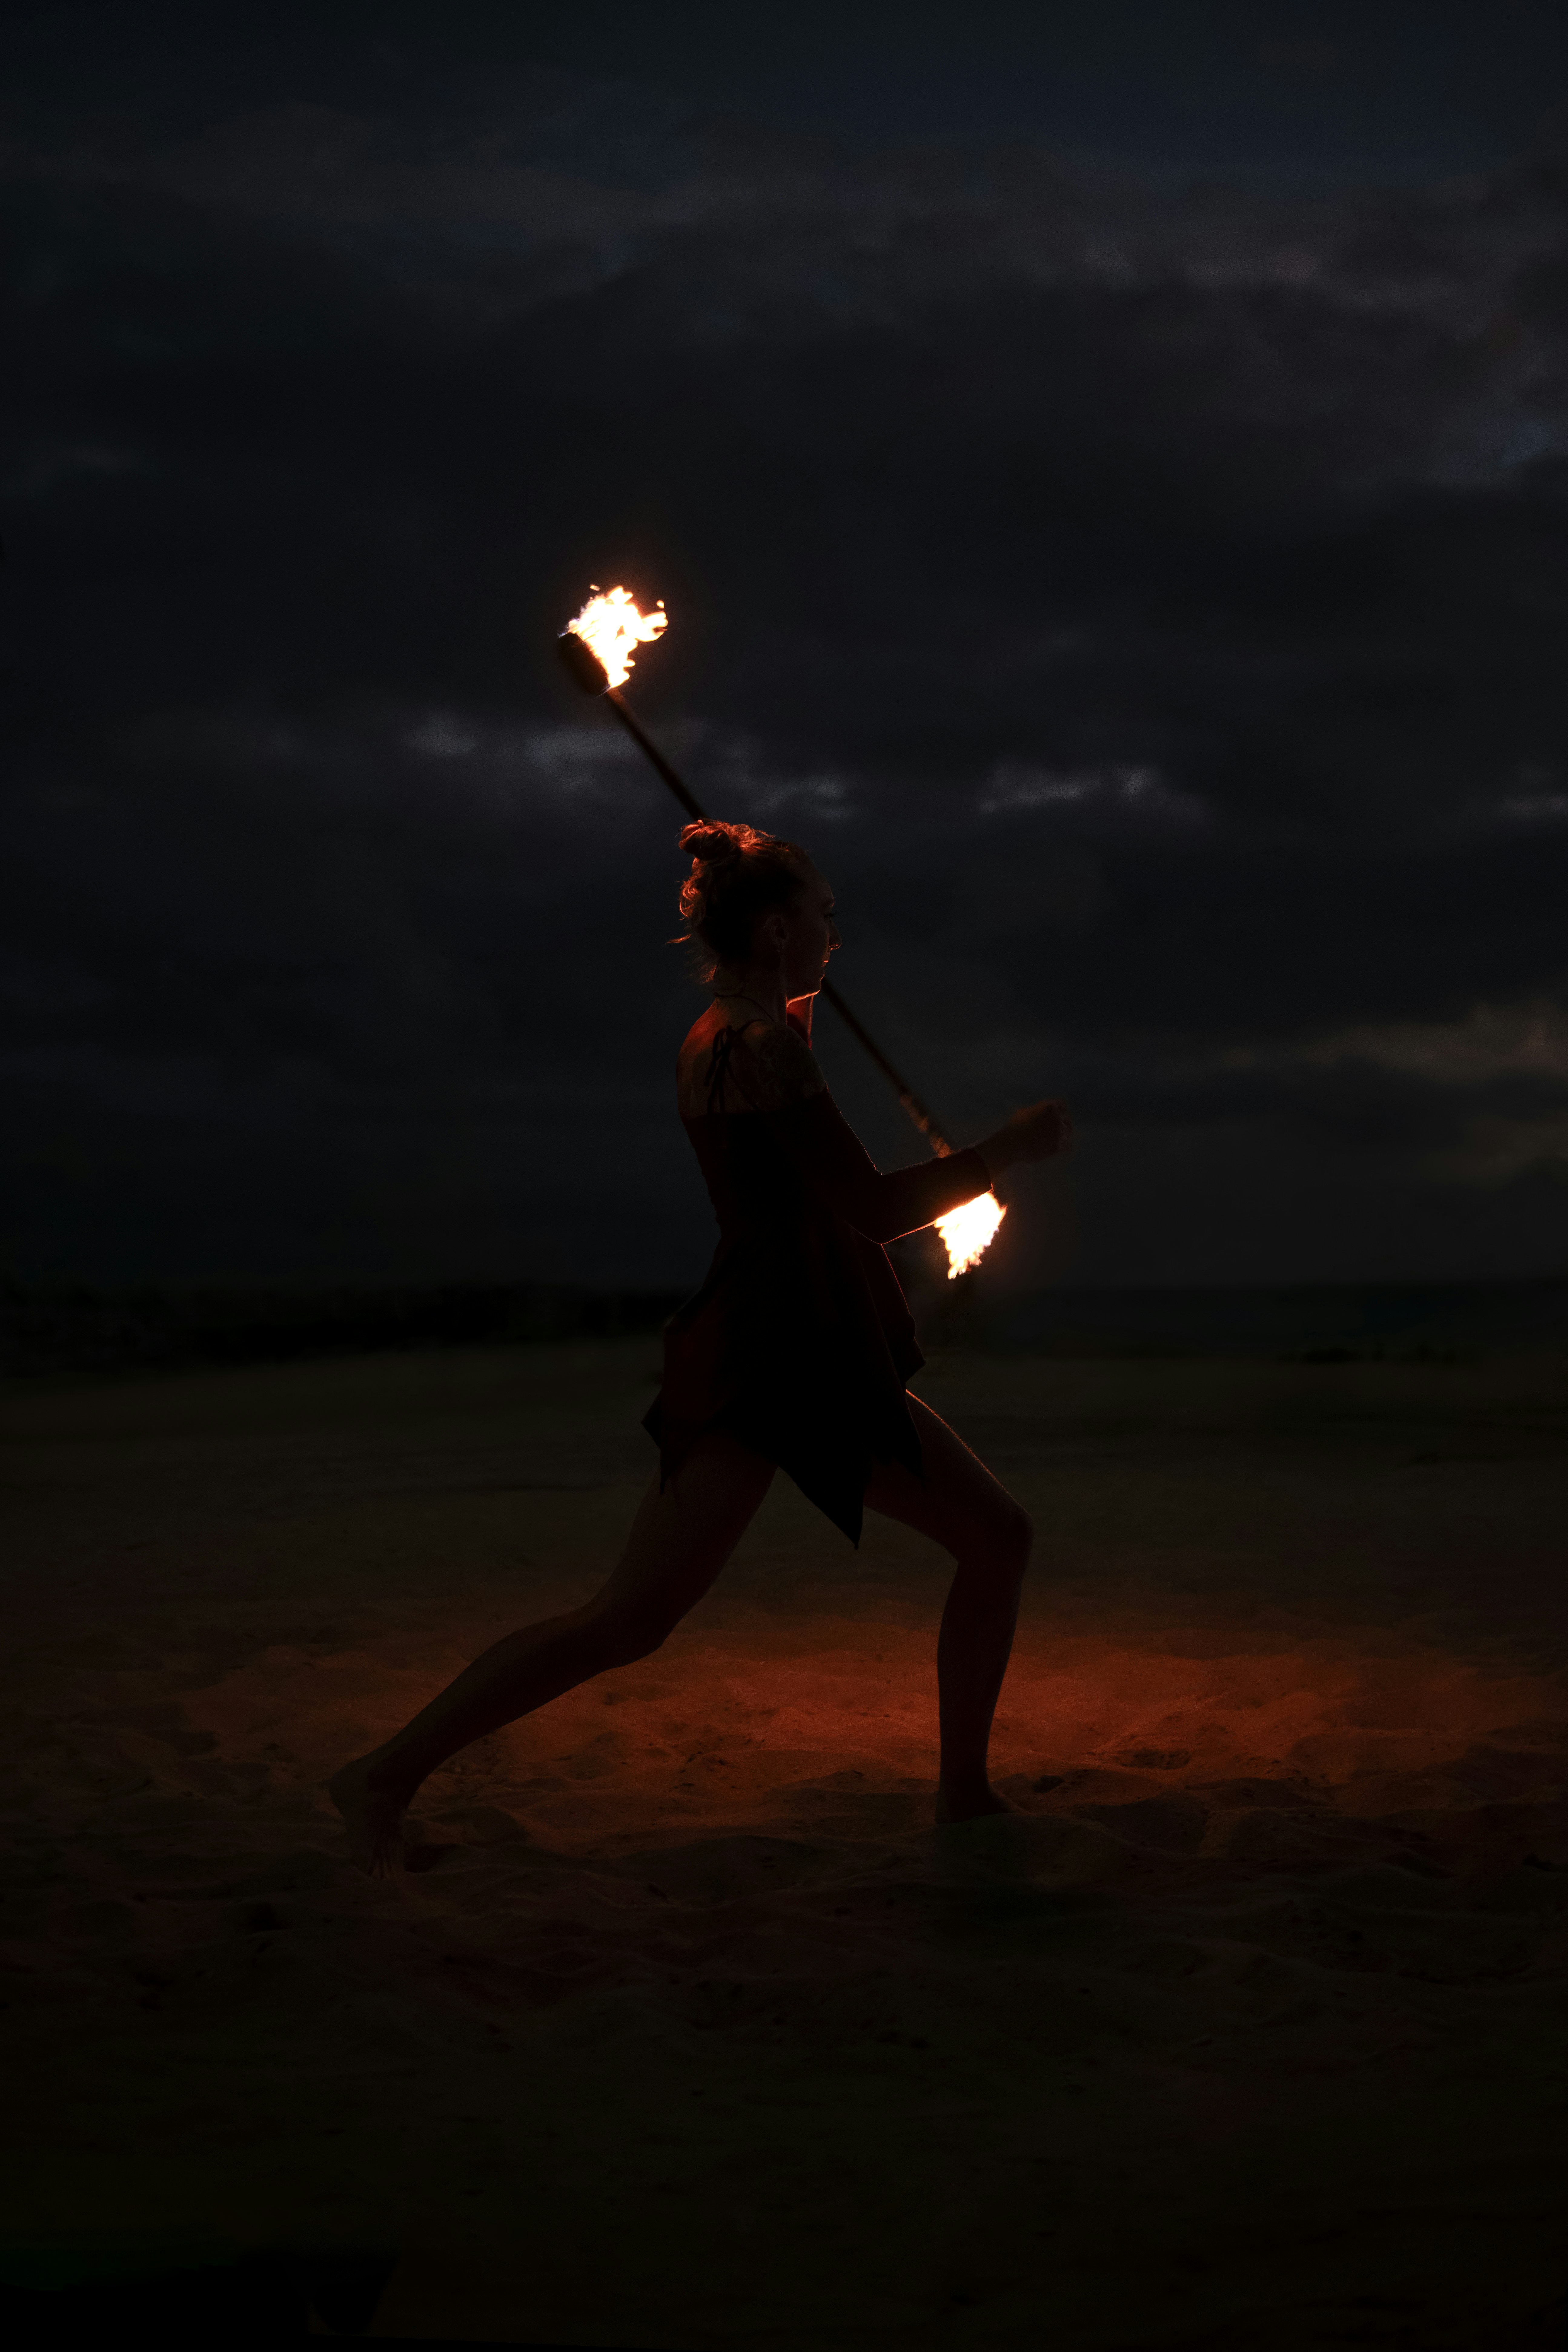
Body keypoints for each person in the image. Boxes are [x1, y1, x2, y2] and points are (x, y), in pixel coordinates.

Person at [332, 821, 1072, 1873]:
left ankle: (965, 1797)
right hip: (779, 1351)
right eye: (822, 916)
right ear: (775, 930)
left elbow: (793, 1114)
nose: (834, 935)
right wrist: (1004, 1152)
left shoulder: (734, 1033)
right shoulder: (757, 1049)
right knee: (629, 1619)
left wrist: (781, 967)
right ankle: (380, 1777)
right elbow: (869, 1209)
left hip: (791, 1342)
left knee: (991, 1539)